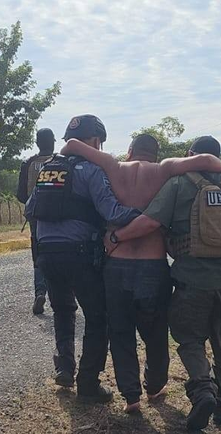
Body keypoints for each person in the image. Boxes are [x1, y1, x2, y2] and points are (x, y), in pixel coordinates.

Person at [62, 133, 221, 414]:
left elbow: (70, 146)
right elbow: (210, 161)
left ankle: (131, 397)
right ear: (155, 152)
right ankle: (154, 386)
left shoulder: (113, 166)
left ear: (130, 151)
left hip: (116, 264)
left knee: (121, 331)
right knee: (155, 332)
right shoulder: (164, 168)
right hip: (153, 265)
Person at [111, 136, 221, 430]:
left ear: (190, 155)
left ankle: (202, 390)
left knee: (189, 339)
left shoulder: (179, 184)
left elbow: (150, 222)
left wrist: (115, 237)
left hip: (193, 279)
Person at [24, 114, 140, 404]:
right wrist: (145, 216)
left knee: (63, 311)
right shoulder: (90, 170)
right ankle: (88, 382)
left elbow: (29, 209)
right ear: (95, 141)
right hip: (78, 255)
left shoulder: (47, 170)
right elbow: (112, 212)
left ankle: (65, 366)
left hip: (47, 255)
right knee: (97, 317)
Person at [17, 128, 57, 315]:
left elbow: (21, 194)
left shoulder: (28, 163)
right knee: (59, 250)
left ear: (37, 143)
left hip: (35, 216)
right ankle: (61, 294)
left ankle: (39, 292)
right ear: (54, 142)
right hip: (59, 215)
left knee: (38, 255)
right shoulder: (60, 162)